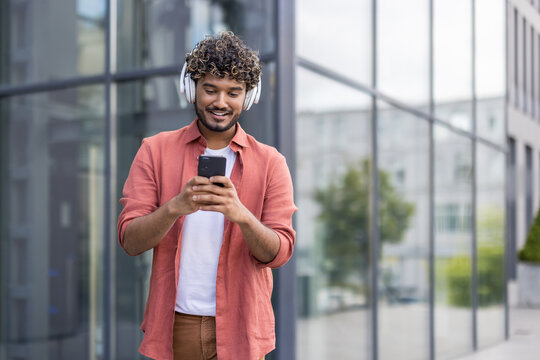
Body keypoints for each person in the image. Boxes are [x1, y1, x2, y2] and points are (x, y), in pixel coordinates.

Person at [117, 31, 297, 360]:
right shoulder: (154, 151)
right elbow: (130, 241)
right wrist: (174, 207)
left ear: (248, 96)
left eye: (233, 92)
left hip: (242, 329)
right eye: (210, 89)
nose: (220, 102)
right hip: (176, 326)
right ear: (190, 88)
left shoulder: (271, 163)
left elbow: (280, 252)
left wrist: (241, 215)